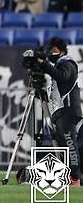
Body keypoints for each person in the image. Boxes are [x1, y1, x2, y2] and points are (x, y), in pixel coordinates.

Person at [37, 37, 82, 185]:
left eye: (53, 50)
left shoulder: (67, 63)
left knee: (70, 144)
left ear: (62, 51)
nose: (50, 52)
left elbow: (63, 76)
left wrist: (45, 65)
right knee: (63, 145)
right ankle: (70, 175)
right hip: (60, 111)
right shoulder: (58, 65)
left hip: (67, 110)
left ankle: (75, 178)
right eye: (49, 49)